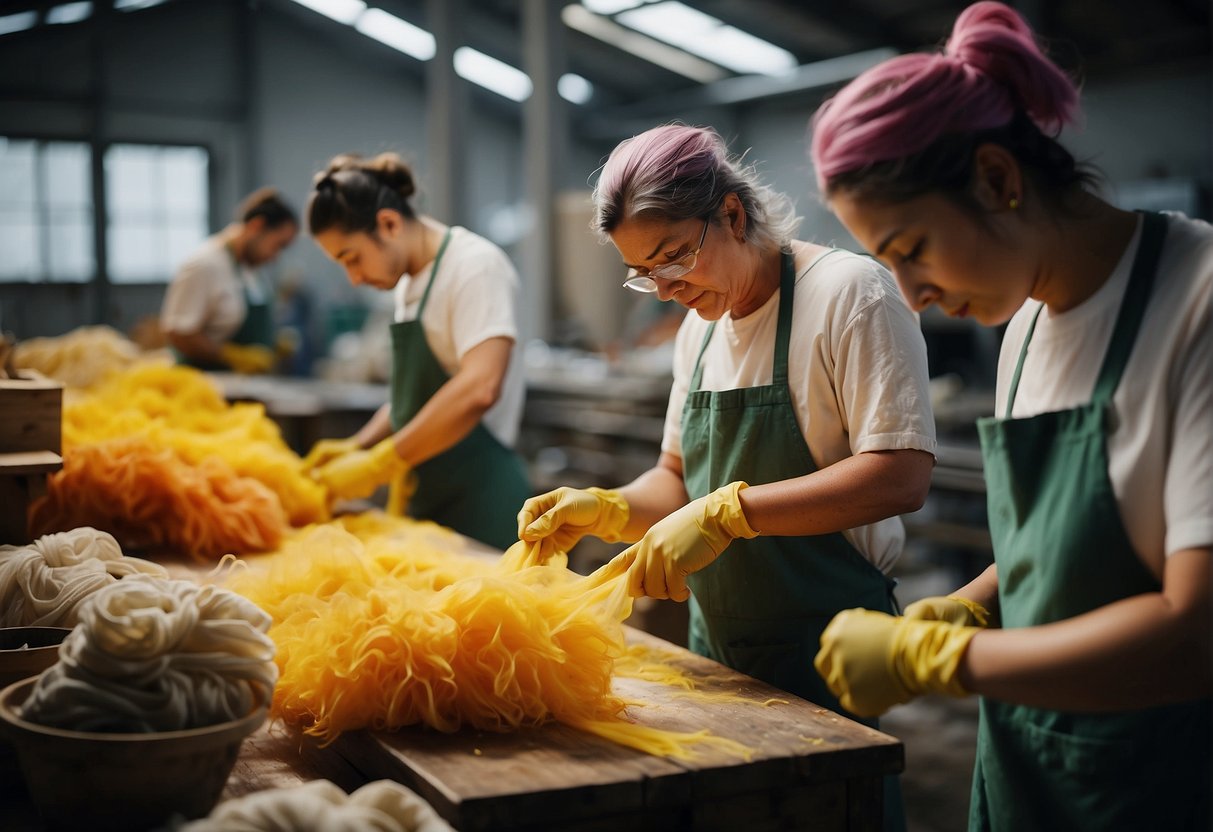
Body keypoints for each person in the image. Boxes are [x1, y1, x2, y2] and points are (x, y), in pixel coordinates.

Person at [809, 4, 1211, 830]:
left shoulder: (1196, 303)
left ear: (997, 178)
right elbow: (1048, 557)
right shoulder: (1023, 321)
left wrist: (945, 658)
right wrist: (972, 604)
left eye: (911, 249)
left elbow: (1195, 633)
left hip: (1152, 782)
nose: (911, 298)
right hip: (1024, 777)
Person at [518, 124, 937, 831]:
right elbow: (673, 485)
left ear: (733, 215)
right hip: (717, 651)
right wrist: (604, 508)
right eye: (643, 272)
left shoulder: (848, 293)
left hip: (828, 650)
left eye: (673, 257)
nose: (663, 289)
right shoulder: (700, 329)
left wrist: (728, 515)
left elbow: (898, 476)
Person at [301, 152, 531, 551]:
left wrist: (380, 464)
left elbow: (480, 386)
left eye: (352, 258)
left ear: (388, 224)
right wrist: (360, 444)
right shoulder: (408, 284)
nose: (353, 279)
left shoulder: (474, 267)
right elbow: (415, 399)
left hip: (479, 499)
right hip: (428, 492)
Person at [161, 187, 298, 373]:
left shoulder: (251, 269)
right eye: (278, 245)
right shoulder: (204, 265)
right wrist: (230, 355)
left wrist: (273, 344)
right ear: (256, 226)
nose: (276, 257)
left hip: (243, 384)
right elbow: (179, 332)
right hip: (207, 384)